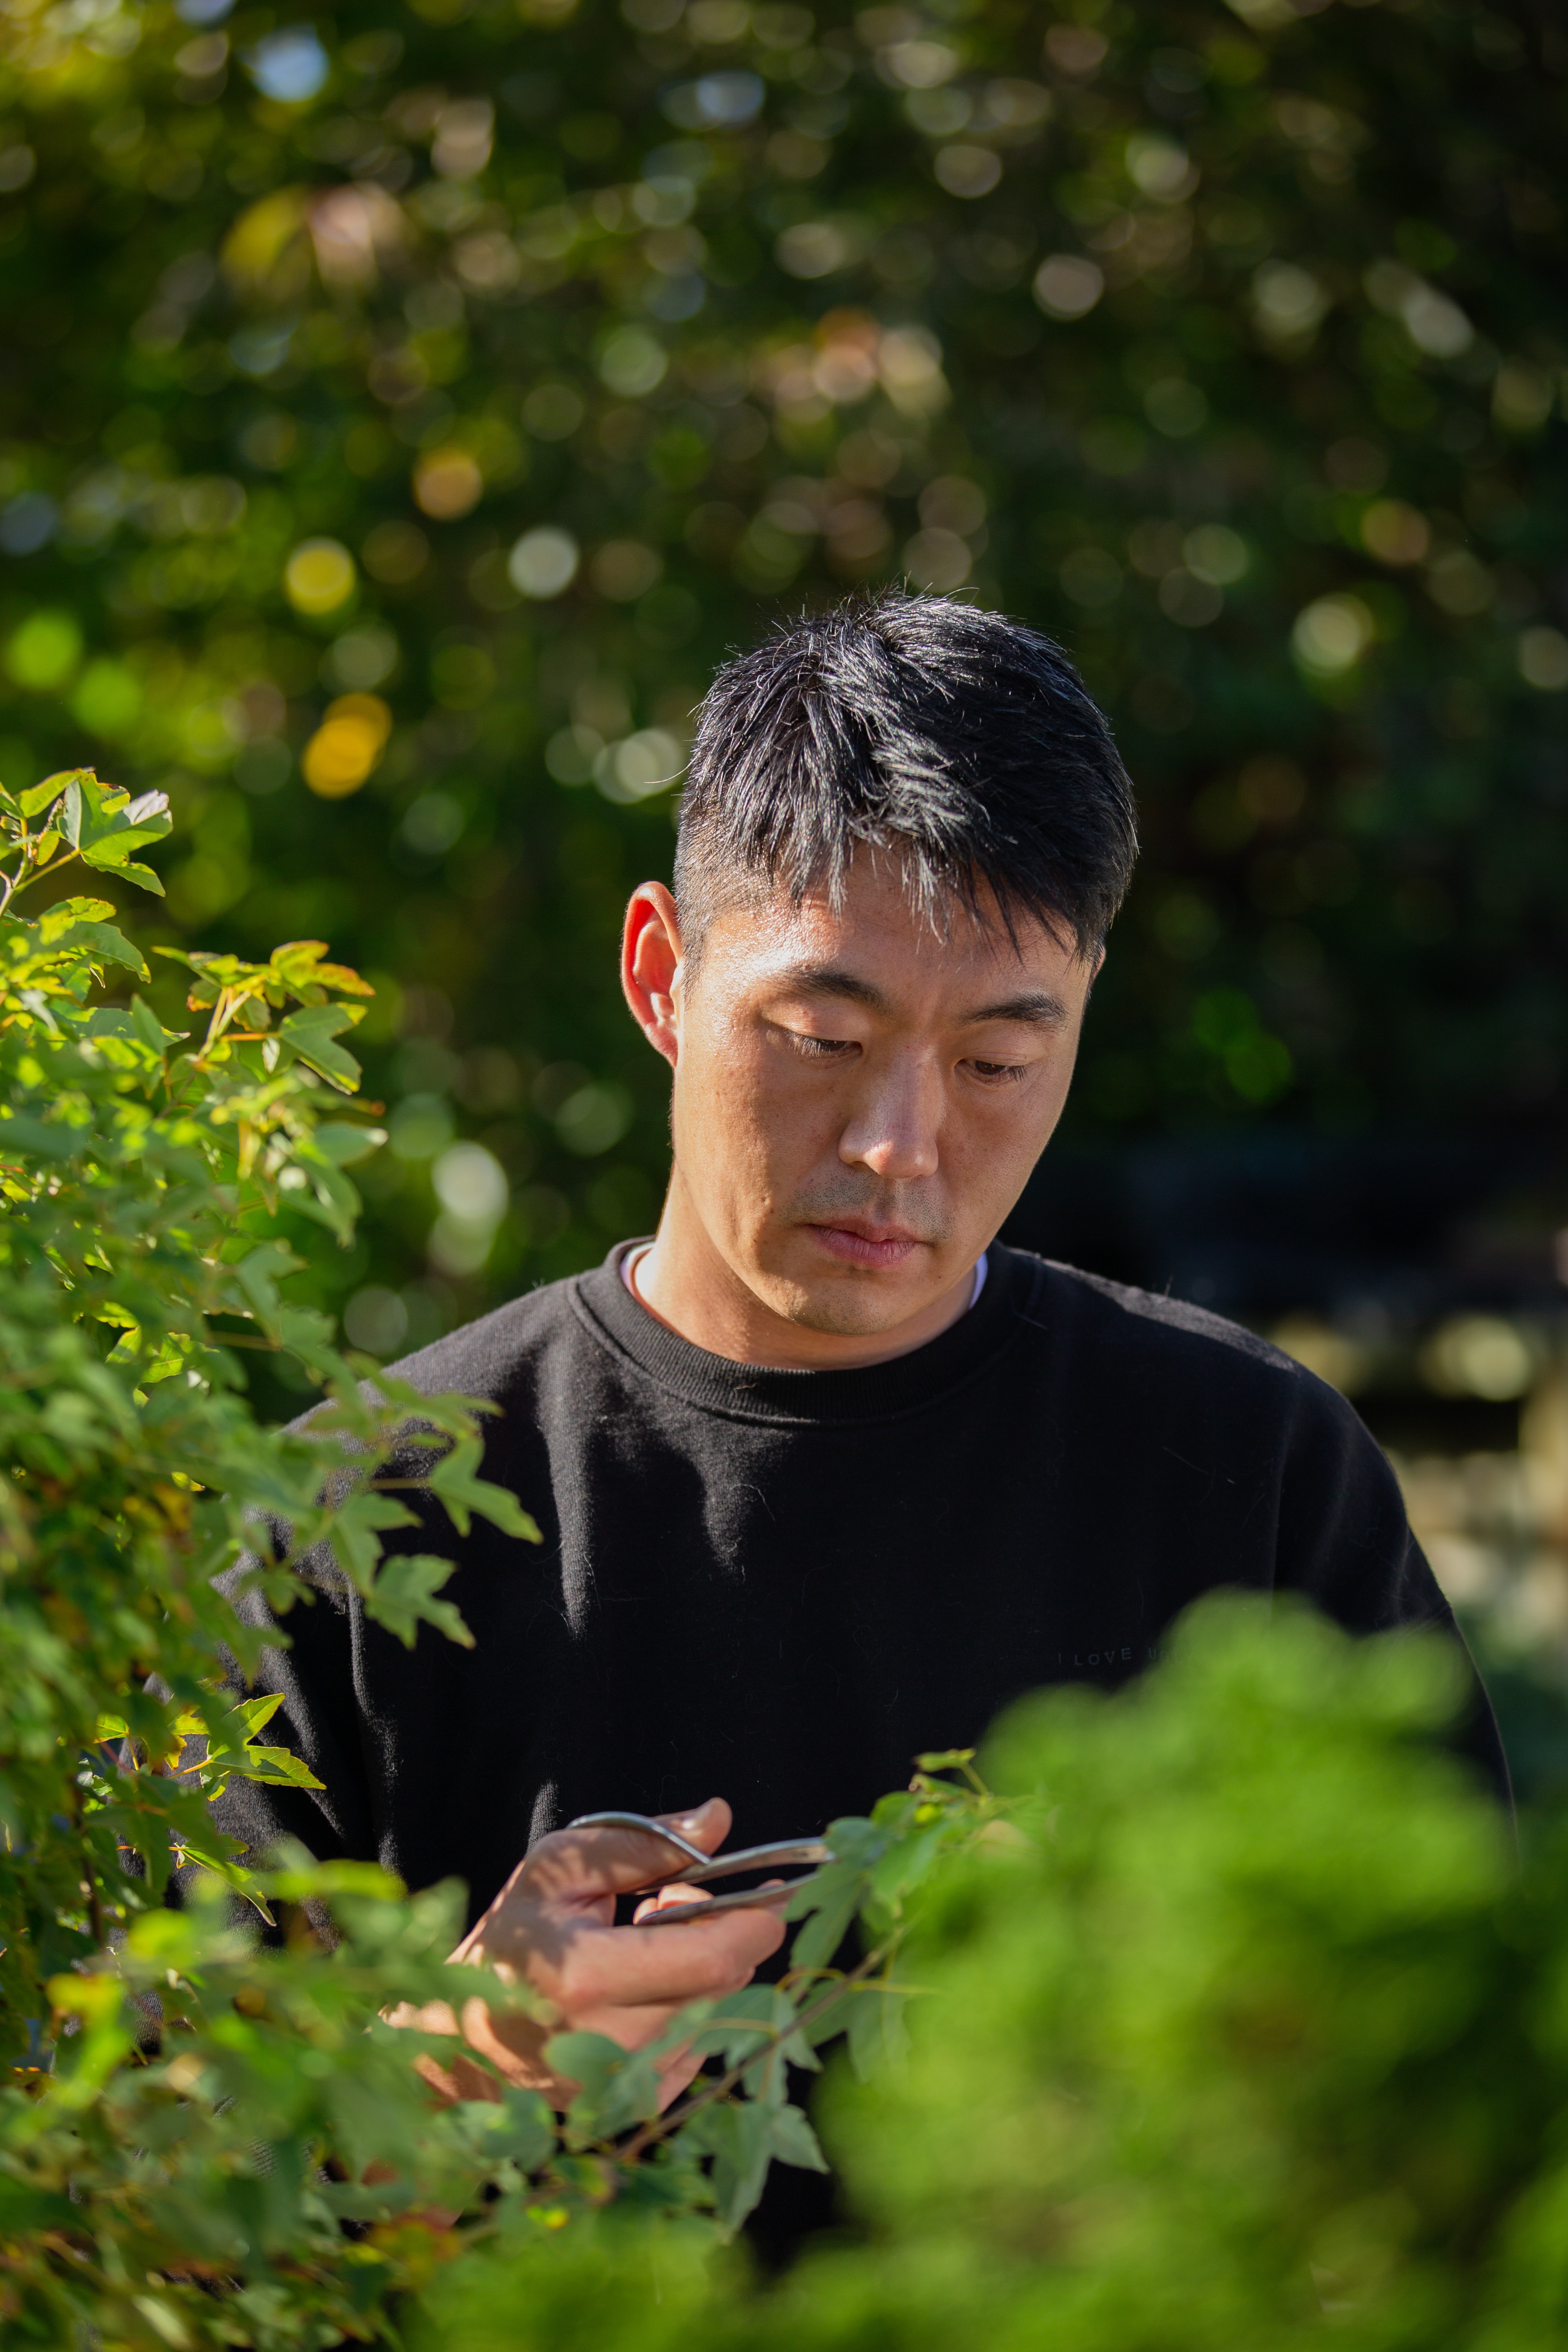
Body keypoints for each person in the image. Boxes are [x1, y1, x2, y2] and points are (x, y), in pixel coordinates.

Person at [218, 594, 1505, 2224]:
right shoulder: (369, 1506)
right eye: (825, 1035)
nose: (901, 1142)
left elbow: (1456, 2125)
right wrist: (433, 2071)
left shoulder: (1247, 1470)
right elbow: (139, 2208)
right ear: (662, 976)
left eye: (997, 1062)